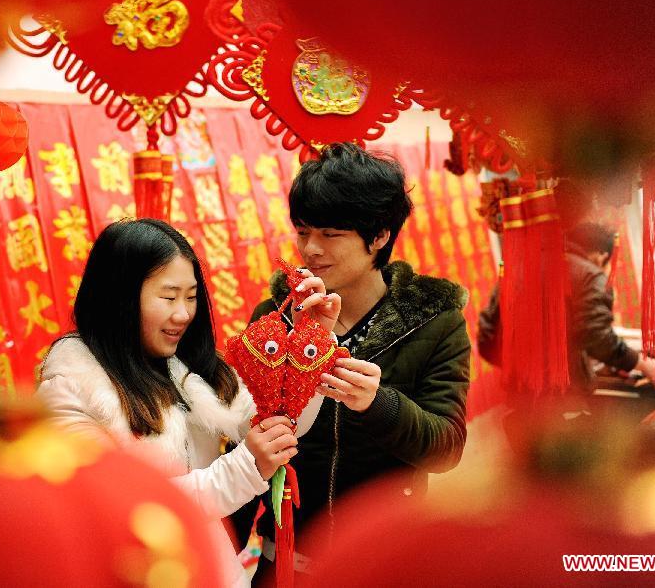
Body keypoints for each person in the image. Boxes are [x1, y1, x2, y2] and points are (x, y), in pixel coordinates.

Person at [36, 218, 339, 587]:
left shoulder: (191, 369)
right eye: (168, 297)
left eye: (191, 296)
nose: (183, 314)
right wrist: (246, 468)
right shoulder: (70, 389)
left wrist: (313, 339)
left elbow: (278, 419)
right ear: (118, 298)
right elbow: (123, 509)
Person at [235, 142, 471, 575]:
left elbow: (446, 448)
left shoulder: (435, 323)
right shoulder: (273, 319)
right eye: (303, 231)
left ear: (379, 236)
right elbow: (244, 441)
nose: (310, 249)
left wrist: (377, 403)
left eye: (331, 234)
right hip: (285, 559)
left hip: (385, 563)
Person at [478, 221, 655, 400]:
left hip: (519, 397)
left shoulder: (520, 267)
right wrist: (643, 364)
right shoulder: (588, 275)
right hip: (563, 400)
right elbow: (597, 336)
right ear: (601, 256)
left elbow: (487, 336)